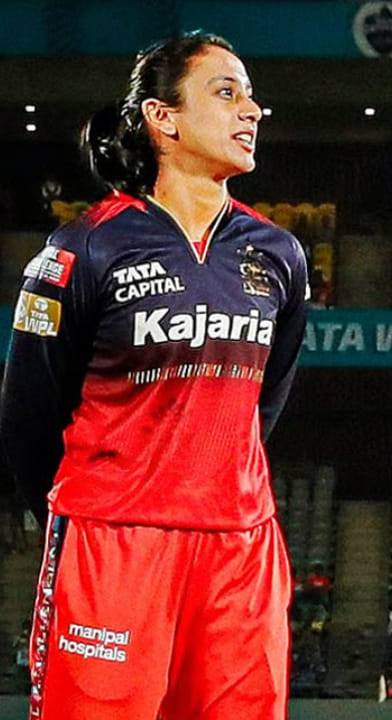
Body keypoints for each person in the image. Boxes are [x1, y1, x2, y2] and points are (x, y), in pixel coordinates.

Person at [0, 32, 308, 720]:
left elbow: (263, 404)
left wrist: (212, 486)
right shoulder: (86, 247)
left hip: (241, 548)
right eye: (226, 93)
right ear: (162, 118)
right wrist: (96, 509)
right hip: (114, 545)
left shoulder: (279, 254)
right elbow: (27, 417)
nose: (251, 110)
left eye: (251, 96)